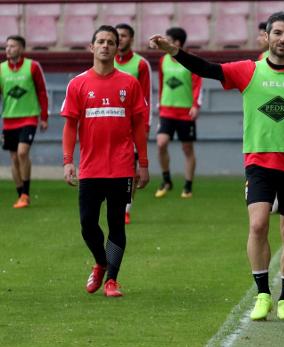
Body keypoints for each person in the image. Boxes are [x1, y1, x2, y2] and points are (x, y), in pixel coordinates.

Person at [149, 11, 284, 321]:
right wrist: (174, 51)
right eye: (277, 33)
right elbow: (207, 68)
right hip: (259, 161)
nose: (282, 39)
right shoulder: (249, 71)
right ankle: (263, 294)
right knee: (258, 224)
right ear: (266, 37)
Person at [61, 25, 149, 297]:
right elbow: (70, 126)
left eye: (111, 42)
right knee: (87, 224)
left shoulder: (129, 83)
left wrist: (142, 163)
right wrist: (67, 161)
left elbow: (138, 126)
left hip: (121, 167)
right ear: (92, 47)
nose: (106, 46)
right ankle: (100, 262)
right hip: (90, 167)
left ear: (116, 47)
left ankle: (112, 280)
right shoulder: (78, 83)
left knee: (116, 224)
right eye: (100, 41)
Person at [1, 35, 49, 209]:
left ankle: (26, 194)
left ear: (21, 49)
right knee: (13, 158)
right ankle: (20, 193)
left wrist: (44, 117)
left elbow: (42, 92)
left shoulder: (33, 67)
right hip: (8, 120)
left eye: (12, 46)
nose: (8, 49)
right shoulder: (1, 69)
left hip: (29, 117)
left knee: (22, 153)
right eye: (7, 46)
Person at [154, 27, 202, 199]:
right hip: (167, 110)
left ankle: (188, 185)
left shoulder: (190, 60)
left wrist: (196, 105)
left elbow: (197, 84)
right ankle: (166, 180)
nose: (164, 42)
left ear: (177, 43)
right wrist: (159, 104)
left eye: (168, 39)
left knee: (187, 148)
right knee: (161, 143)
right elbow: (161, 82)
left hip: (185, 112)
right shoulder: (163, 61)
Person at [114, 23, 152, 224]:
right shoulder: (106, 61)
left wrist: (145, 125)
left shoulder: (140, 64)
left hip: (133, 126)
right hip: (112, 125)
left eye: (124, 35)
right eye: (117, 35)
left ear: (131, 39)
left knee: (131, 168)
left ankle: (126, 207)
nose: (121, 39)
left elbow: (146, 97)